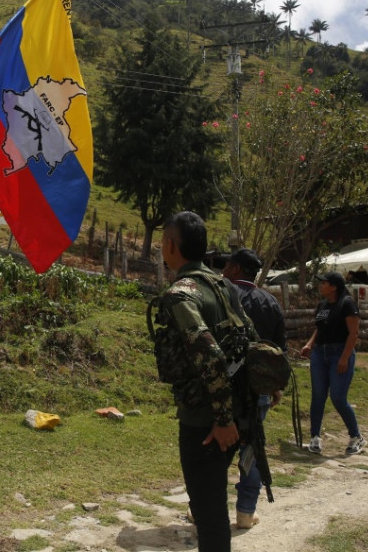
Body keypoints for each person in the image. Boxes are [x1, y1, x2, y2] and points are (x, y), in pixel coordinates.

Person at [153, 212, 241, 552]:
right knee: (212, 508)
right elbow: (249, 339)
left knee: (210, 516)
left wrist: (222, 419)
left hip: (206, 423)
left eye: (163, 240)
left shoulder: (180, 294)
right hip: (237, 412)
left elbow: (211, 356)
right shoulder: (224, 285)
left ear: (171, 246)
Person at [221, 248, 286, 530]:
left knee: (215, 448)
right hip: (258, 389)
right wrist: (276, 388)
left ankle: (201, 508)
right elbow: (279, 352)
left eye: (227, 265)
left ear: (236, 268)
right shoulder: (270, 302)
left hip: (223, 388)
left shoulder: (221, 294)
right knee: (252, 447)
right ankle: (246, 513)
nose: (223, 269)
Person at [300, 271, 366, 456]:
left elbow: (353, 333)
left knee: (338, 397)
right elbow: (319, 329)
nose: (320, 286)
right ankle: (315, 437)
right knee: (318, 396)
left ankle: (356, 436)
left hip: (339, 353)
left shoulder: (347, 304)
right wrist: (309, 344)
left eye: (324, 283)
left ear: (334, 287)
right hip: (319, 354)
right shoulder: (322, 305)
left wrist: (344, 358)